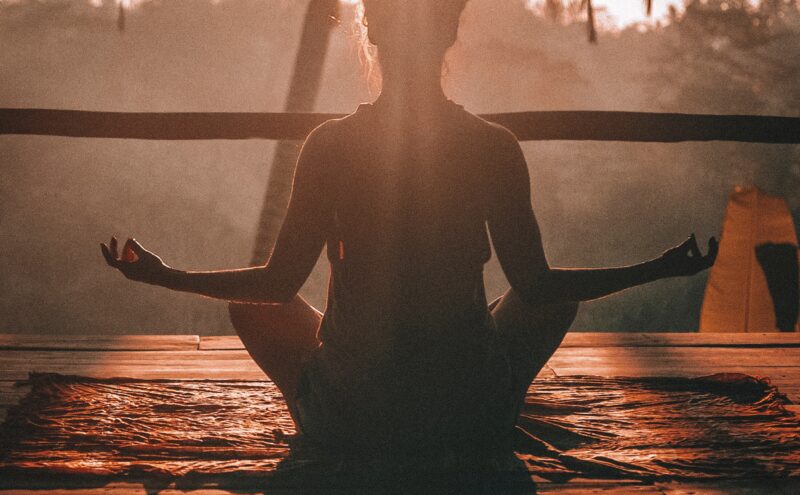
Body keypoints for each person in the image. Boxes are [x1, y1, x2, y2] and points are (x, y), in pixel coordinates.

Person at [101, 0, 717, 458]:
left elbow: (276, 282)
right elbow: (537, 284)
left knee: (252, 310)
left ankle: (331, 406)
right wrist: (658, 267)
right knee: (549, 302)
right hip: (465, 413)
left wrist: (164, 275)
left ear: (371, 32)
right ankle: (493, 404)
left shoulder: (330, 146)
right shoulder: (491, 146)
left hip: (353, 417)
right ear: (450, 31)